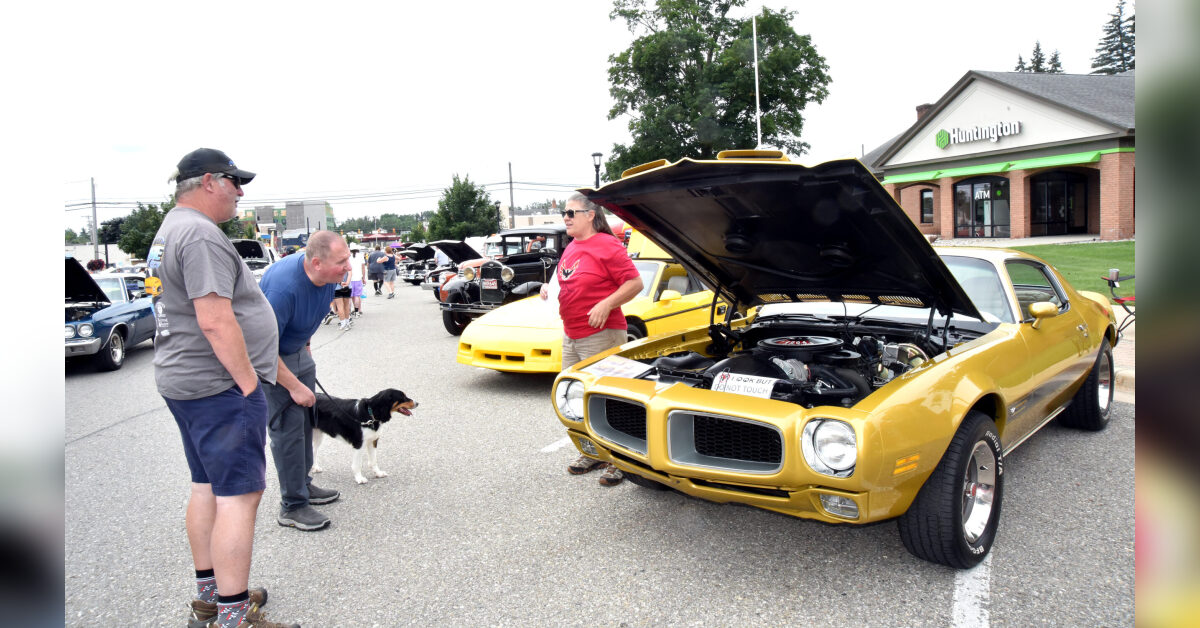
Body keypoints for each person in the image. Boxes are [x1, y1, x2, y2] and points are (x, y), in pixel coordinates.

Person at [147, 148, 299, 628]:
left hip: (185, 379)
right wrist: (249, 384)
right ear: (209, 181)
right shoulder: (199, 234)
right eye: (235, 183)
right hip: (218, 386)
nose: (240, 193)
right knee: (238, 496)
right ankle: (233, 615)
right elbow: (214, 319)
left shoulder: (171, 228)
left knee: (207, 488)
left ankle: (211, 597)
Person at [540, 192, 643, 486]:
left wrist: (606, 304)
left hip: (601, 334)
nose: (566, 218)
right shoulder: (572, 246)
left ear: (590, 215)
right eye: (564, 213)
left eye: (571, 213)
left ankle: (622, 461)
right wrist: (549, 290)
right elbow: (568, 281)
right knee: (576, 397)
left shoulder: (607, 245)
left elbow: (635, 282)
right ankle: (594, 452)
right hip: (572, 333)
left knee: (608, 399)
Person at [258, 231, 353, 531]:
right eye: (341, 261)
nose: (348, 266)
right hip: (272, 360)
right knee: (288, 431)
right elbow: (260, 350)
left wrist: (306, 350)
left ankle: (303, 484)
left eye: (348, 258)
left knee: (305, 423)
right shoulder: (283, 289)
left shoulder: (329, 278)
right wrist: (294, 385)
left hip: (297, 351)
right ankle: (292, 505)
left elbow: (309, 317)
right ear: (316, 263)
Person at [349, 246, 366, 317]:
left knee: (350, 297)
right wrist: (363, 278)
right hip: (358, 278)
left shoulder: (348, 256)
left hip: (349, 279)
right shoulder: (360, 256)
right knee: (357, 296)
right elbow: (363, 268)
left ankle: (348, 313)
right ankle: (357, 311)